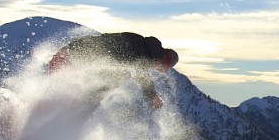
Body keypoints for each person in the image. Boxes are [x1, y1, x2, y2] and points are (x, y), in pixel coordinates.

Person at [45, 31, 179, 109]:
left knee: (57, 90)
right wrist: (153, 97)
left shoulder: (142, 44)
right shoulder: (144, 54)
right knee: (119, 77)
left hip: (70, 51)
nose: (157, 69)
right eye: (161, 68)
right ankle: (81, 108)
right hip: (74, 56)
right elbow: (142, 76)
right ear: (162, 61)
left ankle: (62, 109)